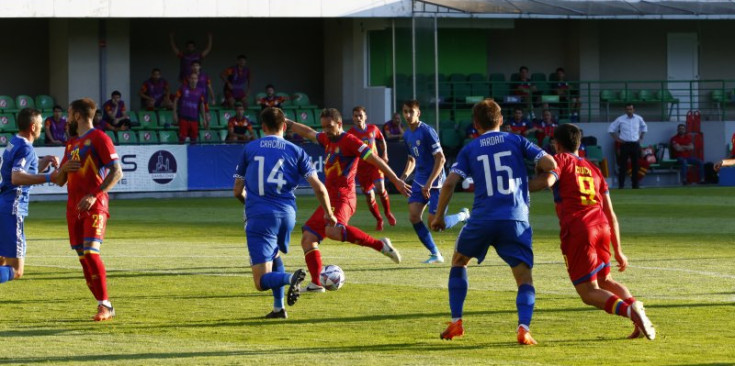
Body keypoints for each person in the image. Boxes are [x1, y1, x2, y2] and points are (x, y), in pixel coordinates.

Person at [430, 98, 556, 344]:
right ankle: (523, 328)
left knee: (459, 261)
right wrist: (532, 185)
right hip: (515, 219)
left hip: (483, 218)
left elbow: (449, 183)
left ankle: (456, 322)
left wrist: (438, 217)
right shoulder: (517, 140)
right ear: (501, 120)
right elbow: (550, 165)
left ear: (476, 124)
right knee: (524, 278)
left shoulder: (470, 148)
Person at [528, 123, 656, 341]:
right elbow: (611, 213)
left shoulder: (560, 161)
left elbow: (548, 180)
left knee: (588, 292)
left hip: (579, 229)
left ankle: (630, 310)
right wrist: (619, 250)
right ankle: (636, 313)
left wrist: (518, 185)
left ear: (556, 144)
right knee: (606, 280)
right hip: (602, 226)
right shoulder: (594, 168)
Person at [287, 108, 409, 292]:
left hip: (344, 198)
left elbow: (375, 159)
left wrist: (396, 181)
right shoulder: (327, 138)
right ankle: (316, 284)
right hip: (329, 199)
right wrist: (286, 122)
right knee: (308, 238)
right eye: (324, 127)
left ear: (340, 124)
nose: (326, 130)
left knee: (333, 231)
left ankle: (380, 245)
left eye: (330, 126)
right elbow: (308, 132)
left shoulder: (350, 141)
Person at [233, 107, 335, 318]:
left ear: (262, 127)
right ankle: (279, 308)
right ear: (285, 126)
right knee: (275, 254)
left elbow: (237, 190)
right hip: (287, 215)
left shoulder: (250, 148)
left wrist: (248, 203)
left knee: (261, 281)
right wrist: (329, 213)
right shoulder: (297, 151)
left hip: (260, 216)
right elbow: (319, 187)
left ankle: (291, 278)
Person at [53, 98, 124, 321]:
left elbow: (117, 172)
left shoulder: (99, 138)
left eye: (69, 113)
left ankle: (105, 304)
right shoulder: (72, 144)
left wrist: (94, 195)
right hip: (73, 208)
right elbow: (60, 180)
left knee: (91, 253)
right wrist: (63, 168)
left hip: (95, 205)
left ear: (77, 116)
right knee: (83, 258)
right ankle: (102, 305)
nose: (66, 117)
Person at [401, 100, 469, 264]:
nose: (408, 115)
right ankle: (435, 254)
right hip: (419, 181)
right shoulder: (406, 134)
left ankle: (463, 215)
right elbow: (412, 159)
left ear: (418, 113)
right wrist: (402, 178)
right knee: (414, 216)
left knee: (435, 224)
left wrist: (429, 183)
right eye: (405, 111)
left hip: (436, 182)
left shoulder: (427, 131)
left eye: (411, 111)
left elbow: (441, 158)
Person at [0, 108, 59, 286]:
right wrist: (50, 177)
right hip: (13, 208)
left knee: (2, 260)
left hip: (4, 204)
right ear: (33, 127)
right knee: (16, 270)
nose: (42, 126)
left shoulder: (14, 141)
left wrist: (44, 161)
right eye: (40, 123)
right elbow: (17, 177)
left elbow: (23, 171)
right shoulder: (26, 147)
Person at [347, 106, 396, 231]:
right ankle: (379, 219)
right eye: (355, 116)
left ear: (365, 116)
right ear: (353, 118)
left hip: (375, 164)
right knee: (369, 196)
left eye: (360, 115)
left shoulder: (373, 129)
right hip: (361, 169)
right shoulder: (350, 133)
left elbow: (381, 140)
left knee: (381, 188)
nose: (358, 118)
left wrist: (385, 154)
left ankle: (388, 213)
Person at [608, 104, 647, 189]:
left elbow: (644, 128)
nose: (629, 111)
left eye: (631, 109)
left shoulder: (638, 118)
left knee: (635, 165)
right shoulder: (620, 119)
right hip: (625, 144)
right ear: (625, 110)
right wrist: (617, 139)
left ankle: (635, 185)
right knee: (623, 166)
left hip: (635, 144)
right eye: (627, 109)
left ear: (634, 110)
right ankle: (621, 185)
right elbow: (611, 129)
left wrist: (641, 137)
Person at [173, 73, 211, 144]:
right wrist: (174, 113)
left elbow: (201, 105)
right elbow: (175, 100)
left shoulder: (200, 91)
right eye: (192, 78)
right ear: (189, 79)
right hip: (183, 118)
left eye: (195, 78)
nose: (193, 80)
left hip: (194, 119)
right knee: (182, 139)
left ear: (197, 80)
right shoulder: (182, 88)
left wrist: (204, 118)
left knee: (194, 139)